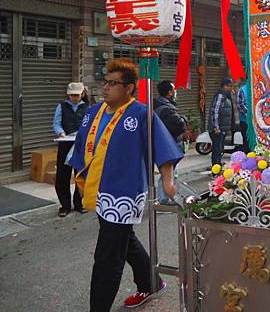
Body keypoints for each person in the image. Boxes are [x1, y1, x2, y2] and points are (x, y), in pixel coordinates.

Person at [69, 58, 183, 312]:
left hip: (124, 193)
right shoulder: (93, 111)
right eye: (105, 82)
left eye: (113, 83)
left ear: (129, 88)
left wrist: (168, 180)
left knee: (108, 255)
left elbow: (162, 147)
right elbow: (81, 146)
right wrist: (77, 179)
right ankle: (151, 282)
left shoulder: (142, 113)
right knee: (124, 239)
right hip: (96, 187)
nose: (106, 88)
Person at [53, 82, 89, 217]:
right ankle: (65, 205)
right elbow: (56, 123)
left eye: (77, 95)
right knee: (63, 175)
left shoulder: (88, 107)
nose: (74, 98)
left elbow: (91, 125)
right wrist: (61, 132)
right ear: (68, 95)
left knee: (81, 173)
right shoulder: (61, 106)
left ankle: (79, 203)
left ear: (82, 94)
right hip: (65, 144)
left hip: (81, 145)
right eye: (72, 95)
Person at [154, 80, 188, 205]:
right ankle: (165, 199)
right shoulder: (165, 108)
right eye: (174, 90)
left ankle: (166, 197)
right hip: (169, 146)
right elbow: (178, 125)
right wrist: (184, 119)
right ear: (169, 92)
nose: (175, 93)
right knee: (170, 174)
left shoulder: (161, 105)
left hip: (168, 145)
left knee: (168, 173)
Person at [208, 77, 234, 164]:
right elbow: (215, 112)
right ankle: (215, 170)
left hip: (222, 128)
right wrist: (216, 127)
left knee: (219, 149)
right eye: (230, 86)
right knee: (216, 150)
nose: (231, 88)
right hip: (217, 129)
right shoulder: (220, 96)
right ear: (225, 86)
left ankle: (217, 166)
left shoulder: (226, 96)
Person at [237, 79, 250, 153]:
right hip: (245, 121)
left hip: (256, 122)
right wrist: (249, 115)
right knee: (246, 140)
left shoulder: (257, 88)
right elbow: (240, 105)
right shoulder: (242, 90)